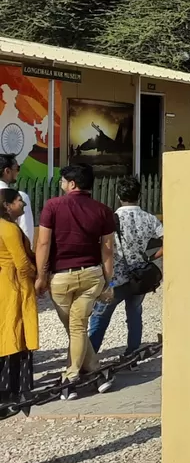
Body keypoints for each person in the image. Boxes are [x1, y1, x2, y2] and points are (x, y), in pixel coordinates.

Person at [35, 164, 116, 395]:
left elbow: (43, 243)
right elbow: (108, 249)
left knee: (74, 328)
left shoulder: (52, 206)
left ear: (72, 184)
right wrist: (108, 282)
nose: (61, 185)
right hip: (92, 275)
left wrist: (41, 276)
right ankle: (96, 372)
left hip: (61, 277)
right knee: (77, 327)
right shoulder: (103, 210)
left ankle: (69, 380)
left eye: (63, 181)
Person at [88, 177, 163, 361]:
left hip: (115, 278)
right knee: (135, 314)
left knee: (101, 316)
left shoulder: (111, 219)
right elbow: (168, 239)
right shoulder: (149, 218)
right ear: (139, 195)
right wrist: (152, 256)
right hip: (140, 277)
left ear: (118, 195)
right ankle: (133, 351)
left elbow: (102, 247)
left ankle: (90, 353)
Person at [0, 188, 37, 405]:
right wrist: (39, 277)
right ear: (7, 205)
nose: (23, 204)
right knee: (17, 333)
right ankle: (16, 389)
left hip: (5, 284)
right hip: (15, 285)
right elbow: (22, 263)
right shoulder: (9, 229)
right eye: (19, 201)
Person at [0, 154, 34, 242]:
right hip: (11, 252)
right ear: (7, 171)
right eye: (17, 168)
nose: (18, 172)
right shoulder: (19, 197)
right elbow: (26, 230)